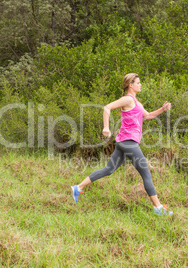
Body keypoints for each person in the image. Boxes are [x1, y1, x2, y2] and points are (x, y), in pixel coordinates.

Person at [71, 73, 173, 216]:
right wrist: (105, 127)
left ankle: (78, 187)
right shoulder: (127, 99)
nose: (140, 84)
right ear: (130, 85)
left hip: (123, 142)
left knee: (108, 169)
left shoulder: (137, 103)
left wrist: (162, 109)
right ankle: (158, 208)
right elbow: (107, 107)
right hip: (129, 142)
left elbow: (148, 115)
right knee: (146, 174)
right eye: (138, 82)